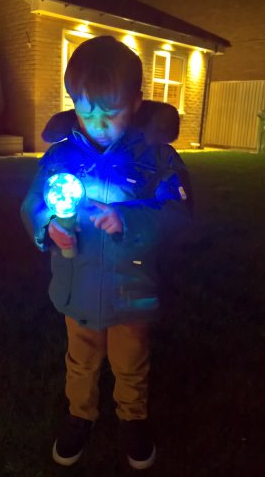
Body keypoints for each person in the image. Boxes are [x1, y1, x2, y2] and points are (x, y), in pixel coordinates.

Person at [21, 35, 191, 470]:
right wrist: (48, 224)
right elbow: (34, 203)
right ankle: (81, 414)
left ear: (135, 103)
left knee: (131, 360)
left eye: (109, 112)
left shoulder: (155, 159)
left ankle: (132, 417)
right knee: (80, 359)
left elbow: (178, 213)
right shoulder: (59, 159)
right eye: (85, 109)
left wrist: (128, 219)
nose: (96, 123)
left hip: (130, 291)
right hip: (77, 285)